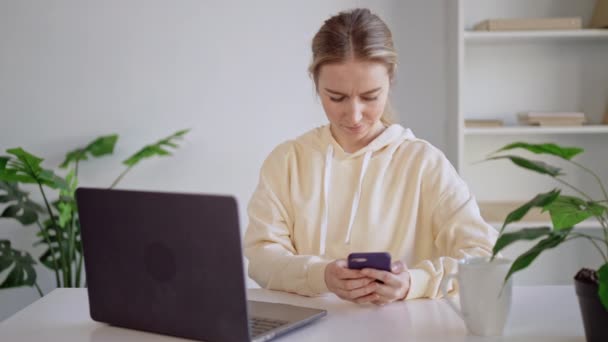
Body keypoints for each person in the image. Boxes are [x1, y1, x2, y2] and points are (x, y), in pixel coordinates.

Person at [244, 8, 497, 305]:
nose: (353, 115)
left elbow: (485, 254)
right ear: (316, 84)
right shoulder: (288, 160)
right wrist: (320, 275)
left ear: (390, 80)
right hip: (307, 332)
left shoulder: (424, 163)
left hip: (403, 331)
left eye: (370, 96)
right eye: (336, 97)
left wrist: (413, 283)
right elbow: (261, 258)